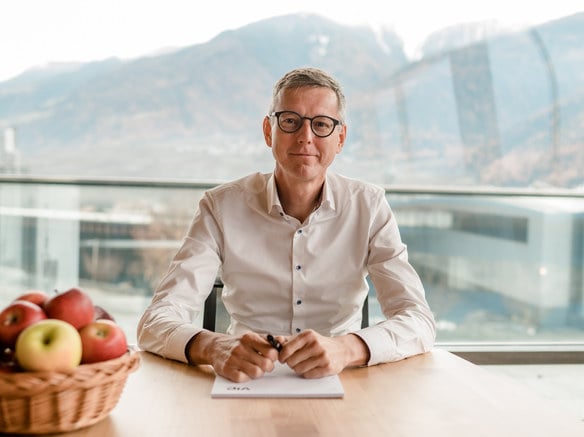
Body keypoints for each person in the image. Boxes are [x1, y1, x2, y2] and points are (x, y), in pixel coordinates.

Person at [137, 67, 435, 383]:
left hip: (343, 382)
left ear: (340, 138)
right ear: (269, 131)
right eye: (290, 121)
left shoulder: (369, 206)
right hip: (242, 380)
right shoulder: (221, 206)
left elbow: (419, 320)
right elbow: (154, 322)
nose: (305, 137)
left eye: (321, 124)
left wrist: (345, 349)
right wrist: (213, 347)